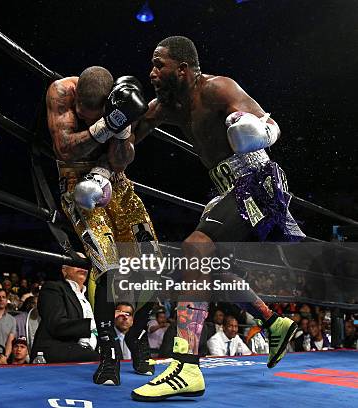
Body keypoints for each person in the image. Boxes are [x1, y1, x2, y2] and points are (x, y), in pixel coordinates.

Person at [131, 36, 303, 401]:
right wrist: (114, 121)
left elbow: (270, 125)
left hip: (256, 181)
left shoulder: (218, 87)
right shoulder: (165, 106)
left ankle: (185, 365)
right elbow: (129, 143)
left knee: (195, 250)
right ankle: (274, 322)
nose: (152, 73)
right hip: (228, 190)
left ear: (183, 68)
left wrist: (251, 129)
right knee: (206, 263)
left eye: (159, 65)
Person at [47, 65, 161, 384]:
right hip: (75, 182)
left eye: (92, 113)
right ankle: (109, 354)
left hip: (115, 178)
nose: (83, 116)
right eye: (82, 112)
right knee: (106, 263)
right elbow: (65, 147)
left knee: (154, 262)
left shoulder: (122, 98)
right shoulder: (61, 92)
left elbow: (122, 159)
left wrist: (122, 129)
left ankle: (137, 338)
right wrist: (107, 124)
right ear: (77, 99)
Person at [31, 263, 100, 363]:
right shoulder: (53, 288)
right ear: (64, 270)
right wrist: (93, 325)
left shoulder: (88, 297)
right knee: (96, 359)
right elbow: (56, 325)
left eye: (84, 265)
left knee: (113, 355)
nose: (82, 267)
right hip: (56, 347)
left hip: (86, 350)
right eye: (76, 263)